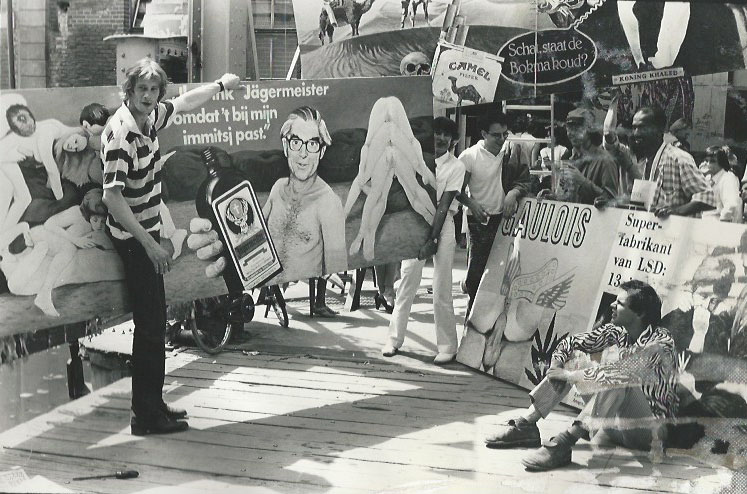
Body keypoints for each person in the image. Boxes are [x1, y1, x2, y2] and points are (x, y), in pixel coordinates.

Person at [100, 57, 240, 436]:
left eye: (153, 90)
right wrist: (150, 245)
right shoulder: (122, 134)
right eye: (141, 90)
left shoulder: (149, 118)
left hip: (145, 232)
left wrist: (221, 86)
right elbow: (112, 197)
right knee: (149, 327)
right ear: (128, 91)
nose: (148, 96)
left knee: (154, 322)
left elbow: (186, 102)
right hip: (133, 240)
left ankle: (153, 405)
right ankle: (145, 417)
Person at [484, 280, 678, 471]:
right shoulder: (619, 331)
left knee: (618, 379)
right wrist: (556, 366)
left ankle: (563, 443)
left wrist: (568, 375)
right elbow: (571, 343)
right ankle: (526, 425)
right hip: (613, 427)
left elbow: (621, 372)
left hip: (649, 434)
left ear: (640, 313)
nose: (612, 305)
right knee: (574, 358)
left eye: (619, 303)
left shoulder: (661, 343)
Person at [382, 117, 464, 364]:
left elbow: (444, 206)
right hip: (417, 221)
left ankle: (447, 346)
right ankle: (393, 339)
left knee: (442, 286)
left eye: (446, 135)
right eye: (437, 133)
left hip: (444, 225)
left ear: (453, 140)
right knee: (408, 279)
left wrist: (433, 239)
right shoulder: (416, 159)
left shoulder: (456, 166)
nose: (440, 138)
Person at [263, 106, 348, 283]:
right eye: (296, 142)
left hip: (303, 296)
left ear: (321, 152)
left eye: (312, 144)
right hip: (270, 291)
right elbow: (252, 237)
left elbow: (337, 267)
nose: (303, 154)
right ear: (286, 146)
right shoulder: (277, 189)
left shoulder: (328, 203)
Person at [457, 111, 530, 316]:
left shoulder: (512, 151)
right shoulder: (469, 156)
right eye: (496, 135)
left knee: (503, 274)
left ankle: (494, 317)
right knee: (476, 274)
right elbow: (455, 190)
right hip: (478, 221)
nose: (501, 139)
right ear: (484, 134)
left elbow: (525, 180)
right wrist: (472, 204)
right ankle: (473, 318)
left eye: (505, 134)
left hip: (504, 220)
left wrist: (513, 193)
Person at [629, 106, 715, 218]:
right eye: (634, 128)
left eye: (642, 128)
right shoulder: (644, 161)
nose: (636, 133)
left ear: (660, 129)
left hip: (676, 229)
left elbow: (708, 197)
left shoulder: (679, 159)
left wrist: (676, 211)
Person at [700, 146, 742, 223]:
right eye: (706, 160)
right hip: (704, 222)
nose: (707, 164)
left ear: (721, 163)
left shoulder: (728, 178)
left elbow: (731, 205)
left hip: (717, 223)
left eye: (712, 161)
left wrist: (722, 222)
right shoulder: (707, 178)